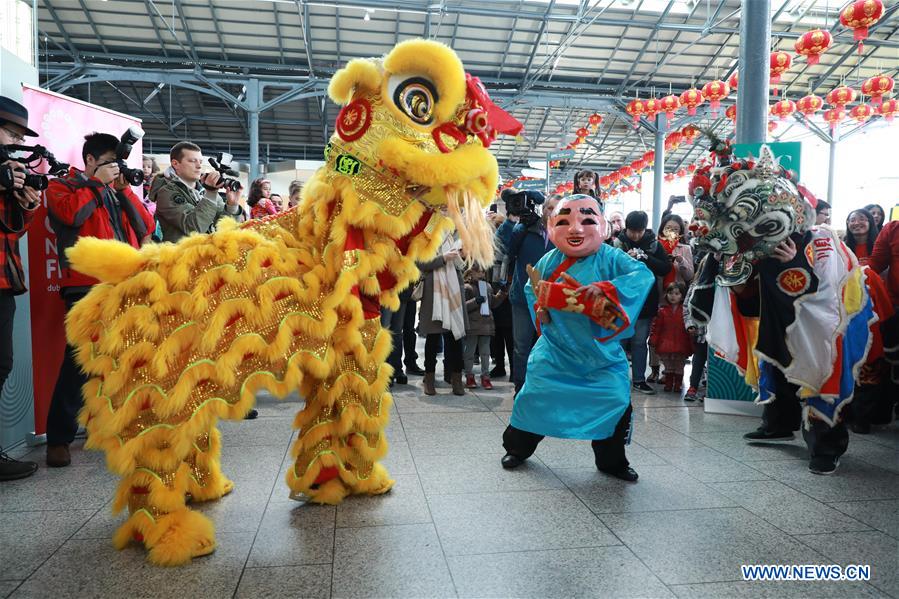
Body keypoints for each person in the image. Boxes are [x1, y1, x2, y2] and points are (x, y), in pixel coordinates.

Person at [500, 195, 653, 481]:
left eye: (587, 221)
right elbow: (532, 287)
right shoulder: (548, 260)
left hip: (601, 357)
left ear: (604, 227)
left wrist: (607, 289)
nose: (575, 229)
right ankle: (517, 449)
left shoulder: (612, 257)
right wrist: (540, 309)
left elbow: (641, 276)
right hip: (556, 352)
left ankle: (612, 461)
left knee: (615, 400)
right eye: (564, 222)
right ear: (550, 226)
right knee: (534, 397)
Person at [45, 132, 156, 467]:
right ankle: (58, 439)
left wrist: (122, 190)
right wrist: (95, 185)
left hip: (126, 285)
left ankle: (117, 428)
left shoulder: (114, 190)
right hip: (85, 286)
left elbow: (146, 225)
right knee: (79, 362)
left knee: (127, 360)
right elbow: (71, 217)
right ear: (90, 160)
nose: (112, 169)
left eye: (116, 163)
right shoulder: (61, 186)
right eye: (107, 163)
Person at [0, 96, 42, 481]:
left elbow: (13, 230)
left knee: (2, 363)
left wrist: (26, 204)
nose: (15, 142)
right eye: (11, 133)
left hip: (5, 280)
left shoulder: (9, 170)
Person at [496, 191, 559, 394]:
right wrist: (512, 220)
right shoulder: (524, 228)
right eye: (550, 208)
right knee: (521, 347)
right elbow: (505, 248)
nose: (553, 212)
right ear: (543, 209)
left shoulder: (566, 234)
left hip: (555, 300)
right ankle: (520, 388)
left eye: (558, 209)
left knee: (550, 347)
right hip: (523, 299)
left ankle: (545, 387)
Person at [613, 211, 671, 394]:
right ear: (626, 228)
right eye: (632, 231)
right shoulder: (617, 244)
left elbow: (665, 268)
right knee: (619, 341)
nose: (636, 235)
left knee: (639, 341)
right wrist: (626, 258)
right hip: (621, 301)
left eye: (640, 231)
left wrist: (645, 257)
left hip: (646, 300)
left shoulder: (654, 245)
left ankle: (638, 379)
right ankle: (617, 378)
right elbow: (609, 268)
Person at [152, 142, 246, 242]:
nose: (199, 166)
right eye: (193, 161)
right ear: (175, 164)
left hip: (207, 254)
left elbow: (225, 229)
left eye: (200, 162)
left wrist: (232, 205)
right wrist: (210, 194)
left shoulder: (205, 190)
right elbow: (194, 228)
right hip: (181, 255)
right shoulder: (166, 192)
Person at [417, 233, 468, 396]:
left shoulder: (454, 235)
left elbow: (462, 266)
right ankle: (429, 380)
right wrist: (443, 258)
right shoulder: (425, 235)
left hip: (453, 290)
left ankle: (457, 380)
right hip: (435, 294)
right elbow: (420, 263)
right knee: (432, 338)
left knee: (455, 338)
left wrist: (463, 256)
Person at [648, 214, 694, 383]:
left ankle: (671, 370)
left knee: (674, 333)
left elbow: (690, 275)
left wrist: (681, 260)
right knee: (655, 331)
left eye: (676, 229)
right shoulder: (656, 246)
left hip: (677, 294)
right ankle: (654, 369)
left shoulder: (685, 249)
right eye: (668, 228)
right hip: (658, 293)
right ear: (662, 229)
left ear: (681, 231)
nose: (672, 232)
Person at [463, 264, 504, 389]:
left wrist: (502, 293)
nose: (481, 274)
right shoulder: (467, 288)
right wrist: (475, 301)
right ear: (471, 273)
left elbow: (493, 303)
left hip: (486, 326)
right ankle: (469, 375)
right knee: (469, 352)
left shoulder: (487, 286)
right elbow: (463, 306)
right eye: (478, 272)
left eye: (483, 272)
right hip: (473, 326)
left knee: (485, 353)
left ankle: (485, 376)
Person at [649, 282, 693, 392]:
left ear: (682, 296)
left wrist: (691, 343)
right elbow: (656, 327)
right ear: (666, 295)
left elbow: (689, 328)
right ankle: (668, 383)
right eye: (671, 293)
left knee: (679, 366)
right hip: (666, 343)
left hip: (681, 343)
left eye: (677, 294)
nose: (673, 296)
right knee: (668, 365)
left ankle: (677, 385)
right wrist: (653, 339)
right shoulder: (662, 311)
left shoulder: (686, 311)